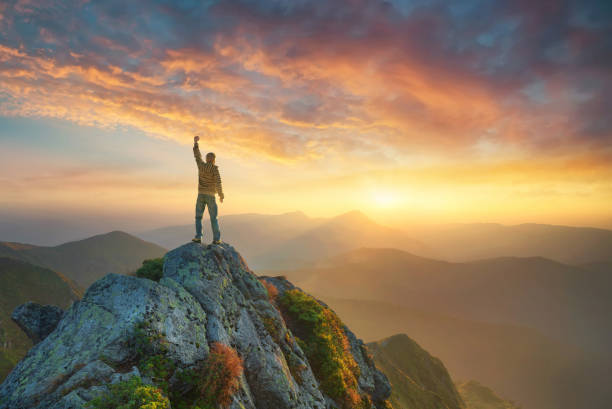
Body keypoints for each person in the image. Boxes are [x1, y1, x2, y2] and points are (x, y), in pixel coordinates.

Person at [192, 135, 224, 244]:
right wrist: (221, 194)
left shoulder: (201, 166)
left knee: (198, 217)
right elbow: (218, 182)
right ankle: (216, 239)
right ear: (214, 160)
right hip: (211, 195)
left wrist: (196, 143)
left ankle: (198, 237)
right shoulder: (215, 169)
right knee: (214, 218)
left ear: (206, 159)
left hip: (200, 194)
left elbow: (197, 155)